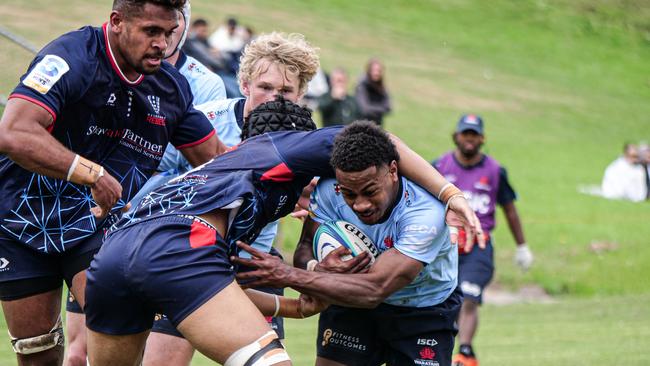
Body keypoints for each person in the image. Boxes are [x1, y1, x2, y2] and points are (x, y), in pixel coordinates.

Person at [84, 98, 482, 365]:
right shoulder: (284, 148)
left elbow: (220, 293)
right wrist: (453, 194)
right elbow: (385, 140)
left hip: (115, 251)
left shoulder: (226, 184)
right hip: (175, 245)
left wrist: (296, 303)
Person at [0, 0, 224, 364]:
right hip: (18, 219)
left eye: (169, 33)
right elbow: (13, 133)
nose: (162, 45)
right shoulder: (72, 57)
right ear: (117, 22)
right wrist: (93, 173)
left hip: (95, 223)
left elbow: (217, 158)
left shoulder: (171, 89)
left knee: (120, 326)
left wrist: (288, 170)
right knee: (37, 352)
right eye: (151, 31)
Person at [138, 31, 322, 366]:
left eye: (285, 91)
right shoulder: (205, 121)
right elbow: (147, 177)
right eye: (265, 87)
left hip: (254, 266)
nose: (273, 98)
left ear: (301, 94)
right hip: (187, 257)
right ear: (246, 84)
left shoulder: (303, 138)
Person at [235, 121, 462, 366]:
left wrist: (286, 275)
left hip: (423, 308)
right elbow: (305, 247)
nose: (360, 204)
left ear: (393, 171)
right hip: (348, 298)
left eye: (370, 191)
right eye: (349, 194)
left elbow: (375, 289)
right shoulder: (328, 189)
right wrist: (316, 268)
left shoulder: (426, 213)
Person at [432, 114, 533, 366]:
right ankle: (446, 352)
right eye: (465, 133)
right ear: (456, 136)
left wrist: (522, 246)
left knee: (469, 297)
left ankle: (464, 352)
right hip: (447, 245)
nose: (469, 139)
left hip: (479, 245)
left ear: (482, 138)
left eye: (474, 134)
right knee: (445, 301)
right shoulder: (439, 167)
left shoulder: (495, 171)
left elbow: (510, 210)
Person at [355, 58, 391, 126]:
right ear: (369, 70)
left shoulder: (381, 86)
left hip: (377, 125)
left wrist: (372, 108)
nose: (376, 73)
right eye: (374, 70)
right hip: (362, 125)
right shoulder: (362, 85)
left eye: (379, 71)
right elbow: (364, 109)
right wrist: (380, 108)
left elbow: (388, 107)